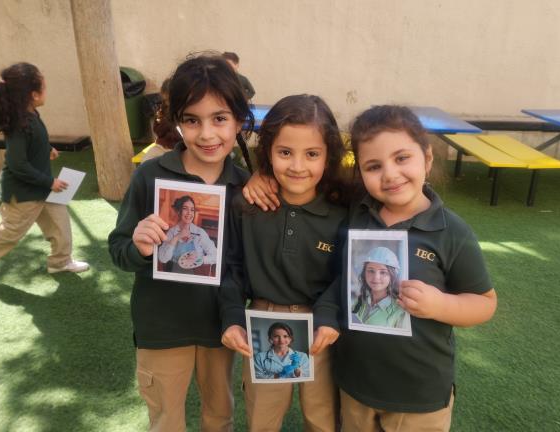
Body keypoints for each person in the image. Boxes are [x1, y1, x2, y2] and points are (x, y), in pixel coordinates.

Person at [108, 53, 254, 432]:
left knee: (219, 417)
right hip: (161, 328)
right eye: (192, 120)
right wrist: (139, 248)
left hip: (219, 329)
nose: (206, 134)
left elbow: (241, 264)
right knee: (165, 420)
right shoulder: (150, 177)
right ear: (177, 122)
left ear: (239, 120)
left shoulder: (245, 188)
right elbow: (119, 250)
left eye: (219, 119)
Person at [336, 105, 498, 431]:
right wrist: (262, 177)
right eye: (373, 166)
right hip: (355, 385)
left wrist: (440, 305)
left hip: (419, 394)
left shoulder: (452, 231)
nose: (389, 174)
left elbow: (485, 303)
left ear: (427, 158)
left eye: (401, 158)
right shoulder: (356, 212)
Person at [219, 94, 347, 431]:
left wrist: (329, 316)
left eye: (312, 154)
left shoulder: (343, 213)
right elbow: (232, 268)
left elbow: (348, 274)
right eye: (285, 152)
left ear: (328, 156)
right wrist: (232, 317)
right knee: (262, 418)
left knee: (323, 419)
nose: (298, 166)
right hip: (263, 322)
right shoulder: (247, 206)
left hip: (321, 326)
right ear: (268, 152)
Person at [0, 62, 89, 286]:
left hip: (41, 188)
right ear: (33, 95)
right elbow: (17, 164)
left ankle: (60, 262)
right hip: (23, 192)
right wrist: (49, 182)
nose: (46, 92)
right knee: (11, 231)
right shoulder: (19, 124)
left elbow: (34, 141)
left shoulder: (31, 114)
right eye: (44, 88)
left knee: (60, 224)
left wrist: (46, 149)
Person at [156, 195, 217, 275]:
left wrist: (199, 259)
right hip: (175, 274)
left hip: (196, 275)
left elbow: (216, 256)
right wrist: (176, 237)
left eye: (192, 210)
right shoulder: (172, 232)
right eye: (185, 208)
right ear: (179, 211)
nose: (189, 213)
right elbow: (162, 259)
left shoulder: (200, 233)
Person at [351, 246, 406, 328]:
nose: (376, 277)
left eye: (383, 272)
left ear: (392, 276)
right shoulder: (359, 301)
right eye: (371, 271)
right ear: (364, 273)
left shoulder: (400, 311)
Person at [143, 78, 182, 162]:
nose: (167, 103)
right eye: (165, 100)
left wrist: (169, 126)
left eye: (169, 100)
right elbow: (157, 128)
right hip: (163, 146)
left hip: (180, 148)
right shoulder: (162, 108)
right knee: (146, 160)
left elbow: (181, 135)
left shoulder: (184, 110)